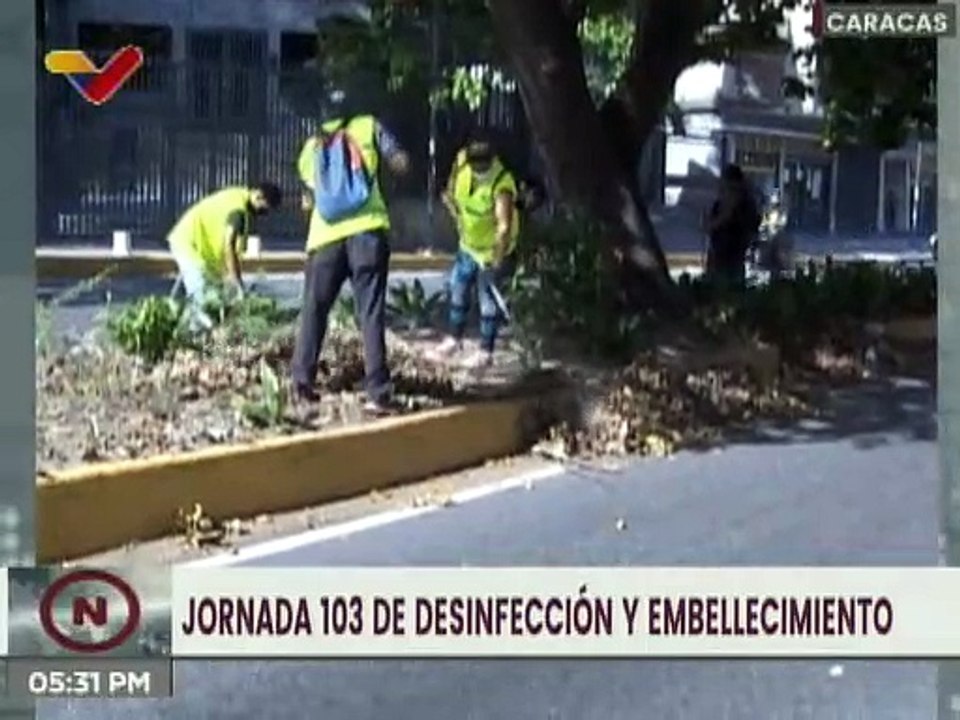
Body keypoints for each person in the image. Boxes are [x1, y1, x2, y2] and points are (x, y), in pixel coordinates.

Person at [292, 112, 409, 411]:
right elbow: (399, 162)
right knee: (370, 313)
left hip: (324, 240)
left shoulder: (311, 147)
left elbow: (309, 199)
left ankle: (302, 384)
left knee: (314, 311)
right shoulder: (369, 126)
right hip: (368, 232)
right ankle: (378, 391)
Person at [430, 134, 520, 369]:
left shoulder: (502, 183)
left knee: (488, 302)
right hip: (468, 246)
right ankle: (453, 340)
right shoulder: (461, 163)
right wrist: (454, 212)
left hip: (492, 251)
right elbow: (450, 193)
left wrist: (497, 260)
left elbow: (504, 226)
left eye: (484, 163)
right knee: (458, 290)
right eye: (475, 162)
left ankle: (485, 352)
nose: (479, 167)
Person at [168, 182, 282, 327]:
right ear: (259, 196)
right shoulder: (238, 211)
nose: (265, 214)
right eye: (266, 209)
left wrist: (229, 276)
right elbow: (229, 246)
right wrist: (237, 283)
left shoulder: (239, 198)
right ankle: (195, 337)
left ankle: (179, 331)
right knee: (204, 301)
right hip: (190, 243)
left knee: (209, 295)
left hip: (199, 247)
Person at [704, 164, 759, 286]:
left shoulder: (746, 206)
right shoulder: (720, 204)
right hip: (719, 255)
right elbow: (709, 226)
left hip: (733, 257)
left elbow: (752, 229)